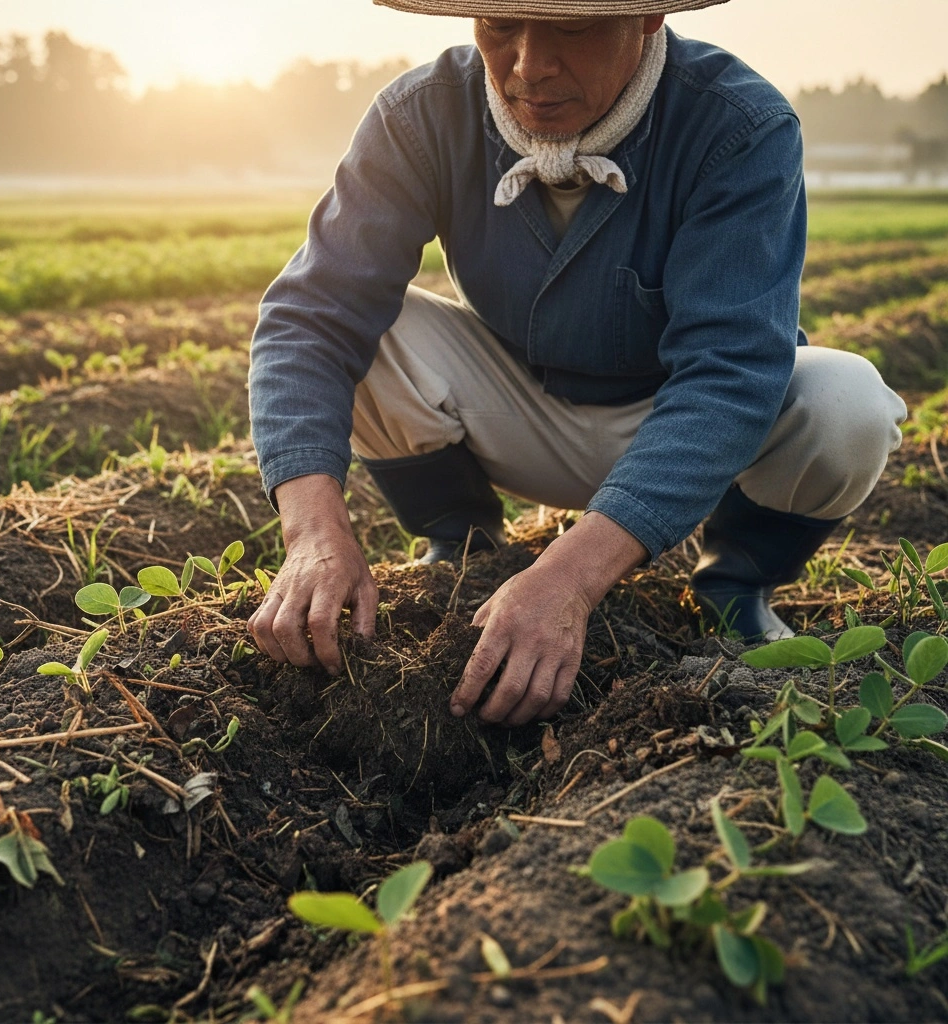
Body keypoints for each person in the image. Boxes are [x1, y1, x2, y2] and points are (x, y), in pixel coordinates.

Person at [246, 0, 907, 728]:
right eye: (501, 27)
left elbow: (729, 372)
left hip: (677, 429)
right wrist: (313, 531)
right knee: (373, 326)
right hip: (515, 407)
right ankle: (462, 546)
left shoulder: (737, 126)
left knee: (848, 403)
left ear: (648, 18)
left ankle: (734, 585)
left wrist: (570, 578)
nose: (529, 67)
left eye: (570, 28)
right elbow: (308, 320)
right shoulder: (423, 113)